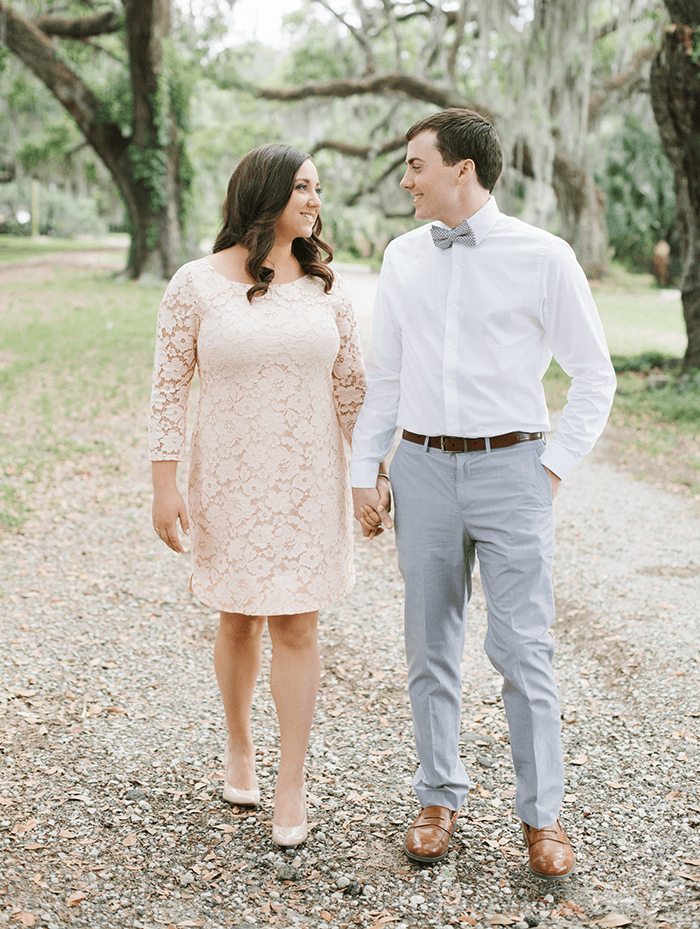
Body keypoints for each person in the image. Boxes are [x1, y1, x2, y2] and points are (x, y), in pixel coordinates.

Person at [351, 110, 616, 876]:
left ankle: (542, 819)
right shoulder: (402, 258)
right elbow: (388, 379)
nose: (405, 179)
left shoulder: (543, 256)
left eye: (415, 165)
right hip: (423, 470)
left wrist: (551, 469)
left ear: (460, 170)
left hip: (514, 470)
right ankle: (438, 797)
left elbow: (594, 374)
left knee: (524, 649)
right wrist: (364, 471)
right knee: (429, 645)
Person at [149, 143, 388, 847]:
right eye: (303, 188)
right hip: (228, 476)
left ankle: (292, 778)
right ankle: (239, 747)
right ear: (264, 195)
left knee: (298, 625)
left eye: (318, 189)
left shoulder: (328, 288)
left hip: (309, 480)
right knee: (238, 619)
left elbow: (352, 389)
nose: (316, 201)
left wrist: (367, 478)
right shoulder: (194, 284)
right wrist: (165, 486)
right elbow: (168, 386)